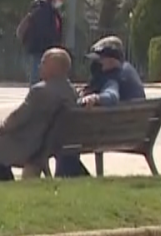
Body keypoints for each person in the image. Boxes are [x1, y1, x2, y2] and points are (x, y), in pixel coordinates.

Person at [0, 48, 76, 183]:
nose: (40, 67)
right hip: (48, 143)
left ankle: (3, 183)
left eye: (44, 63)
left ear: (55, 68)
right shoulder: (71, 92)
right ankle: (4, 182)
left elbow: (19, 117)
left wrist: (3, 127)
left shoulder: (40, 91)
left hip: (27, 144)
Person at [54, 36, 146, 177]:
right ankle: (77, 176)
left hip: (112, 133)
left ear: (110, 60)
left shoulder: (113, 77)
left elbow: (111, 95)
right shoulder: (128, 72)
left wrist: (95, 97)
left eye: (99, 60)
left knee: (65, 139)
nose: (96, 66)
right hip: (134, 132)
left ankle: (74, 177)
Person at [17, 0, 65, 85]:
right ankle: (34, 94)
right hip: (40, 48)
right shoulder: (42, 11)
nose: (61, 2)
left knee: (43, 74)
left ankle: (39, 93)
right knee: (37, 73)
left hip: (48, 49)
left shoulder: (54, 13)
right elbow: (42, 31)